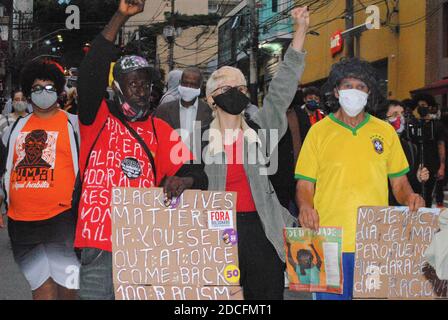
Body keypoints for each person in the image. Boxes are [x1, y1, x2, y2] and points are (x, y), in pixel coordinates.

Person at [75, 0, 207, 300]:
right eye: (132, 83)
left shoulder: (161, 131)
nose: (140, 90)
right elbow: (90, 72)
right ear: (117, 87)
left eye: (145, 84)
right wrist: (120, 17)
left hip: (141, 249)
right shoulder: (96, 119)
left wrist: (184, 181)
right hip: (97, 248)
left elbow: (197, 174)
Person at [295, 57, 425, 300]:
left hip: (374, 243)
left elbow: (399, 183)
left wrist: (410, 197)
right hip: (327, 241)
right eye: (347, 85)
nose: (354, 91)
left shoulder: (384, 131)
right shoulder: (318, 132)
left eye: (361, 86)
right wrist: (304, 207)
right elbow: (305, 183)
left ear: (369, 93)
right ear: (336, 90)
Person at [201, 6, 309, 300]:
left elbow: (283, 86)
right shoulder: (198, 142)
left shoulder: (262, 129)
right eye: (226, 87)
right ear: (211, 99)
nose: (234, 90)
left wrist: (300, 29)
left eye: (240, 86)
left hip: (263, 230)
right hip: (218, 234)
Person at [0, 60, 80, 300]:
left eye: (48, 87)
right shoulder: (14, 128)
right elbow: (7, 169)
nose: (43, 93)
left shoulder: (73, 125)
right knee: (42, 289)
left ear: (58, 91)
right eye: (37, 88)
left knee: (68, 289)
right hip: (21, 223)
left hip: (62, 220)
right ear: (28, 92)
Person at [376, 100, 430, 205]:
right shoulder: (375, 144)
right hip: (378, 207)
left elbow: (409, 184)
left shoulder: (410, 147)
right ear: (383, 120)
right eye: (395, 114)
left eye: (402, 114)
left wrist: (418, 177)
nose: (400, 118)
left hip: (402, 209)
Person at [155, 67, 213, 145]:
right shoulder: (163, 110)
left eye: (193, 84)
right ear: (180, 82)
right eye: (185, 83)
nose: (188, 87)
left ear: (200, 86)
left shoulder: (210, 112)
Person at [411, 93, 446, 207]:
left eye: (424, 105)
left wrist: (442, 166)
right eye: (419, 105)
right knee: (416, 194)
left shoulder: (437, 125)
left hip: (432, 164)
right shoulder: (414, 125)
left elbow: (441, 145)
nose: (421, 107)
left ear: (429, 107)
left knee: (428, 196)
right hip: (416, 165)